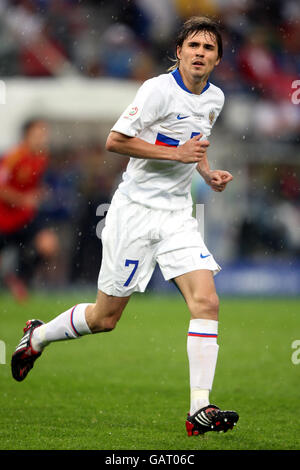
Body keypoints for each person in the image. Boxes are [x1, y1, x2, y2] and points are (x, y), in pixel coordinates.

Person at [11, 17, 239, 436]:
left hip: (176, 216)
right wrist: (177, 156)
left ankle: (199, 410)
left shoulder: (215, 98)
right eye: (194, 46)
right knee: (104, 318)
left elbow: (194, 142)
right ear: (179, 51)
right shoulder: (156, 90)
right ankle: (38, 337)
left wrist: (206, 173)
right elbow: (115, 140)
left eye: (209, 48)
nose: (200, 53)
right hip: (133, 212)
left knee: (206, 302)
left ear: (218, 58)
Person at [0, 119, 59, 301]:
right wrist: (22, 199)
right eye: (39, 134)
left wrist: (40, 195)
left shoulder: (42, 158)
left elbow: (32, 187)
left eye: (44, 134)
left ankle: (21, 279)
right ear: (27, 136)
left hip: (25, 217)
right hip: (4, 218)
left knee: (48, 245)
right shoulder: (14, 156)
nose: (43, 138)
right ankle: (11, 278)